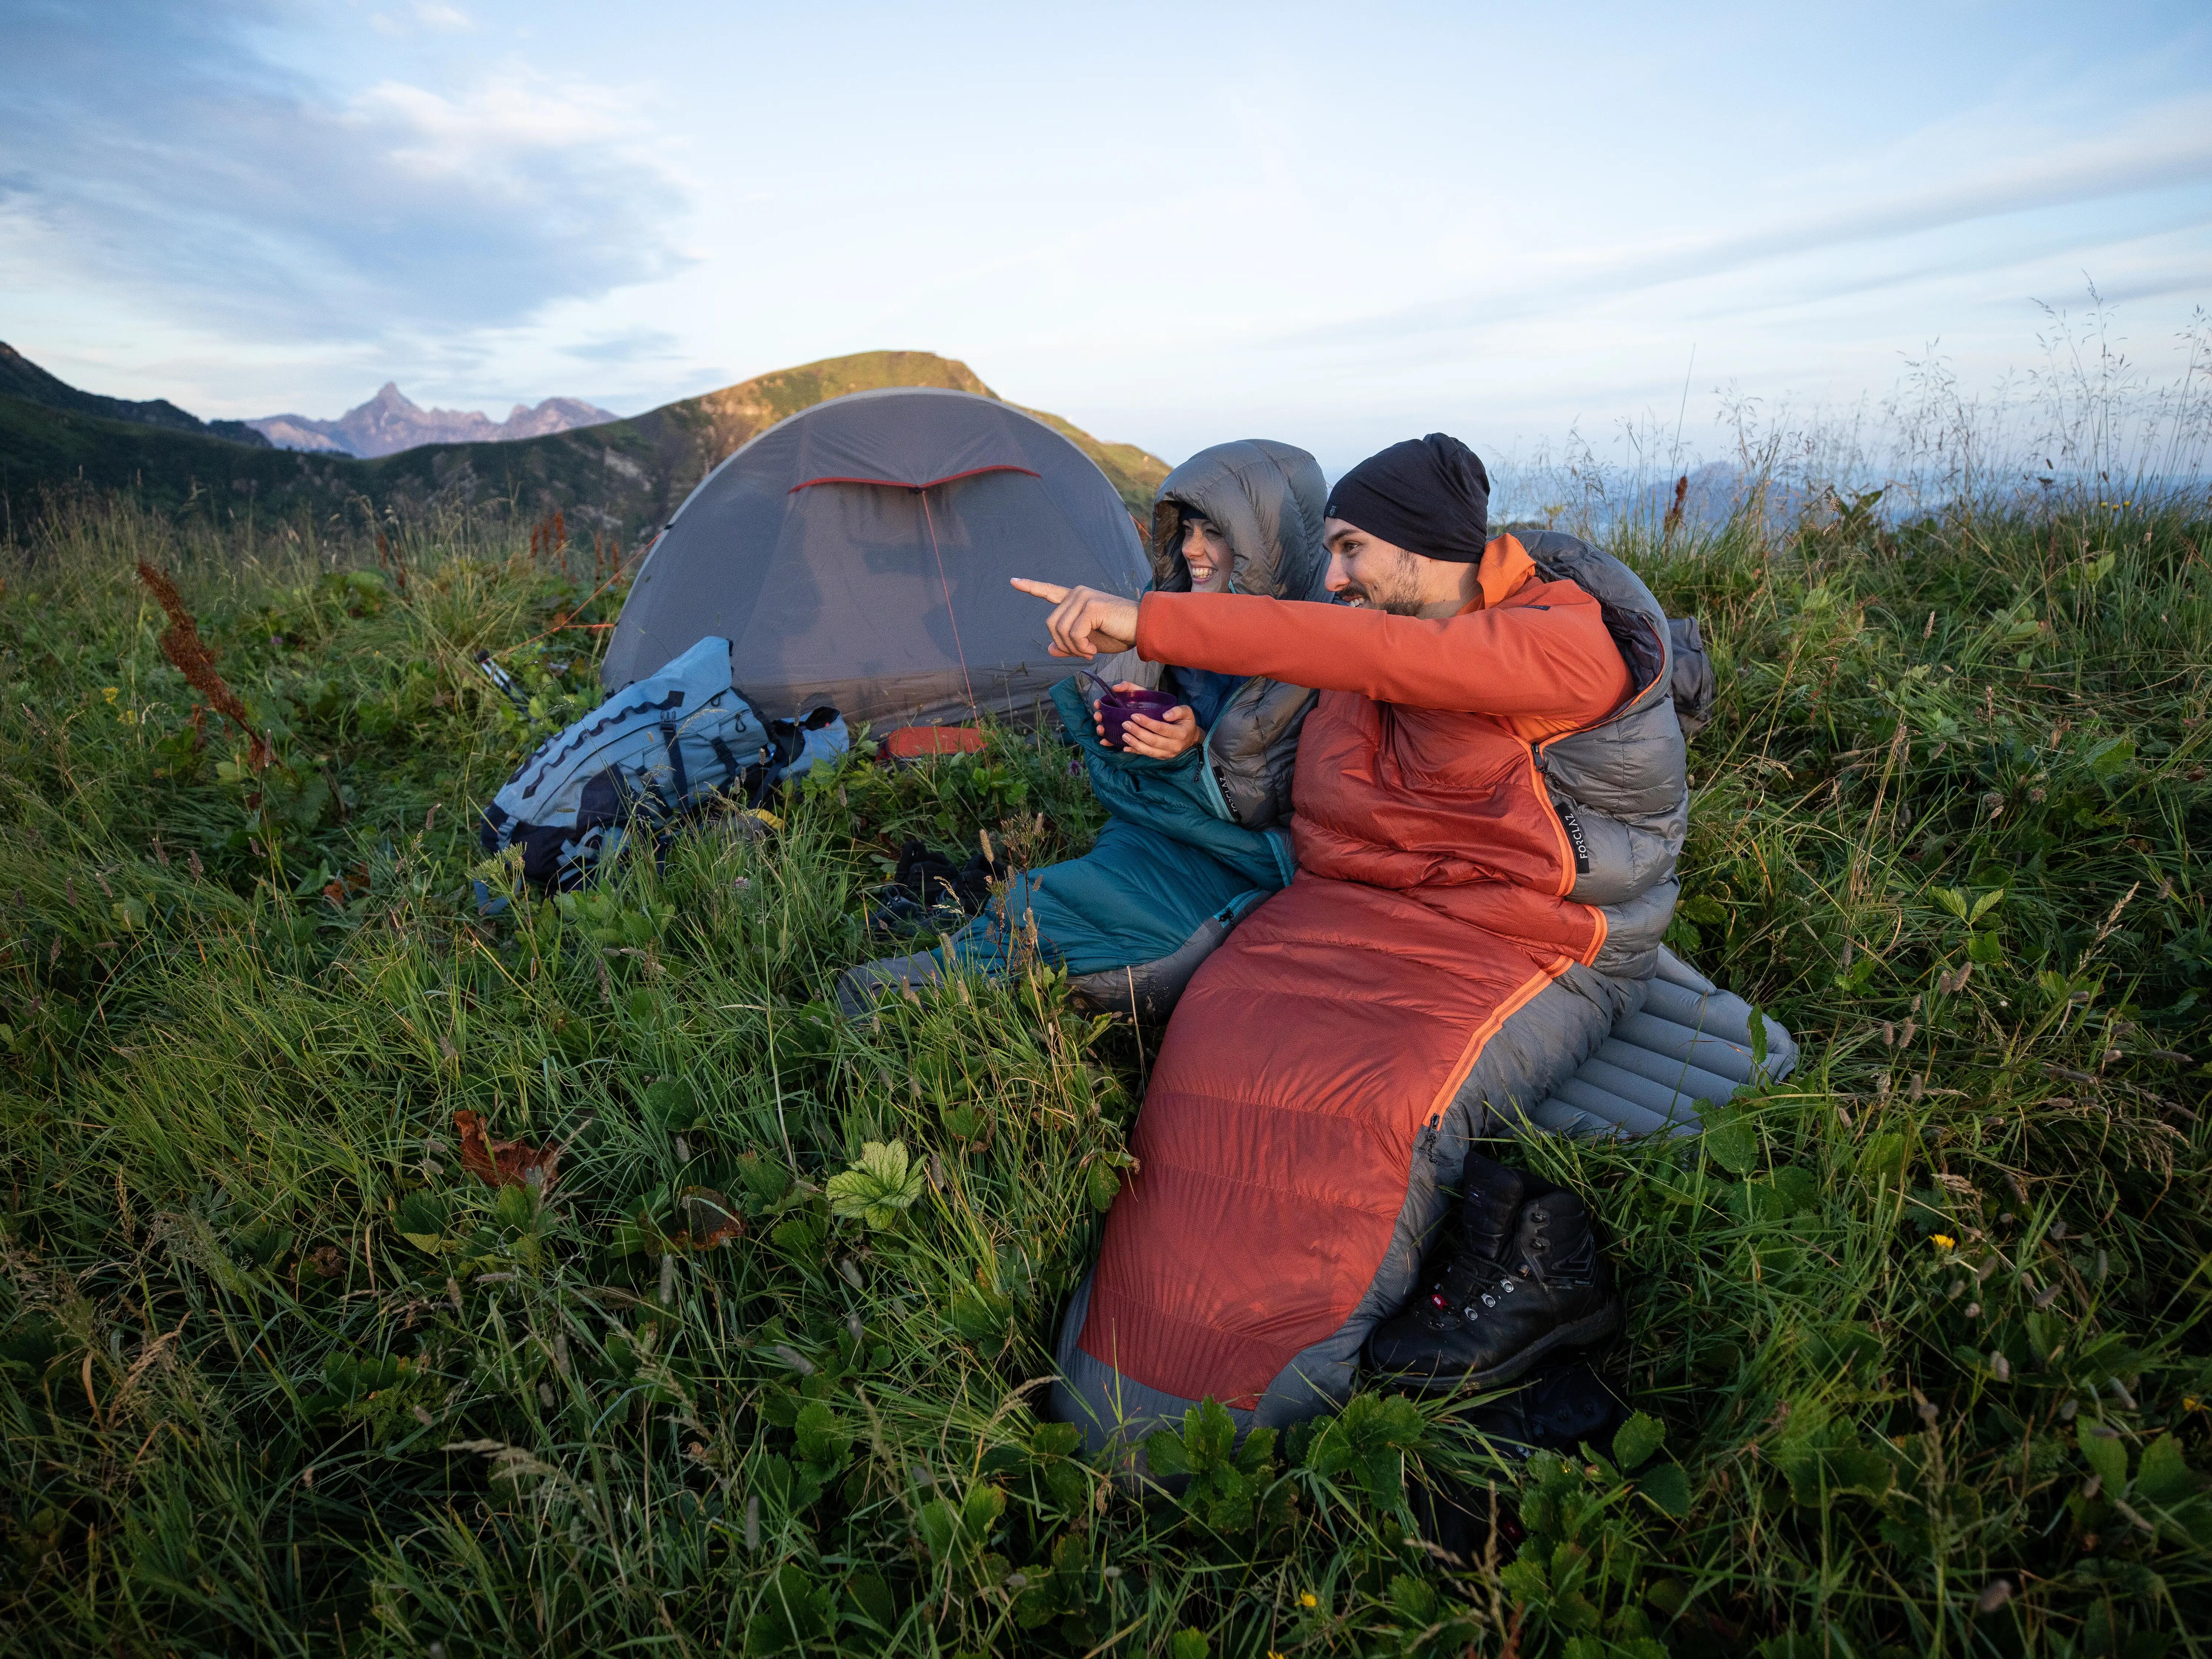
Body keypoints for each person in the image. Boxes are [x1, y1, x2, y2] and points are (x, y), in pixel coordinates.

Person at [1013, 434, 1695, 1453]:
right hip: (1340, 914)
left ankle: (1223, 1421)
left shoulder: (1558, 639)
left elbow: (1399, 663)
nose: (1331, 579)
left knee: (1363, 1105)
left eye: (1349, 552)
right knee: (1215, 1047)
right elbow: (1279, 780)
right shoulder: (1376, 622)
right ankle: (1124, 1384)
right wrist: (1181, 731)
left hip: (1519, 940)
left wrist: (1152, 617)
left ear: (1421, 549)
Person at [837, 440, 1330, 1022]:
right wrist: (1124, 690)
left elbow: (1300, 802)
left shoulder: (1324, 653)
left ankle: (942, 993)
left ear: (1266, 545)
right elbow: (1151, 764)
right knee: (1046, 895)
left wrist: (1194, 750)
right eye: (1187, 530)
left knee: (1141, 946)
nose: (1194, 550)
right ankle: (943, 973)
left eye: (1215, 533)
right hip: (1154, 830)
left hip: (1242, 859)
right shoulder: (1170, 611)